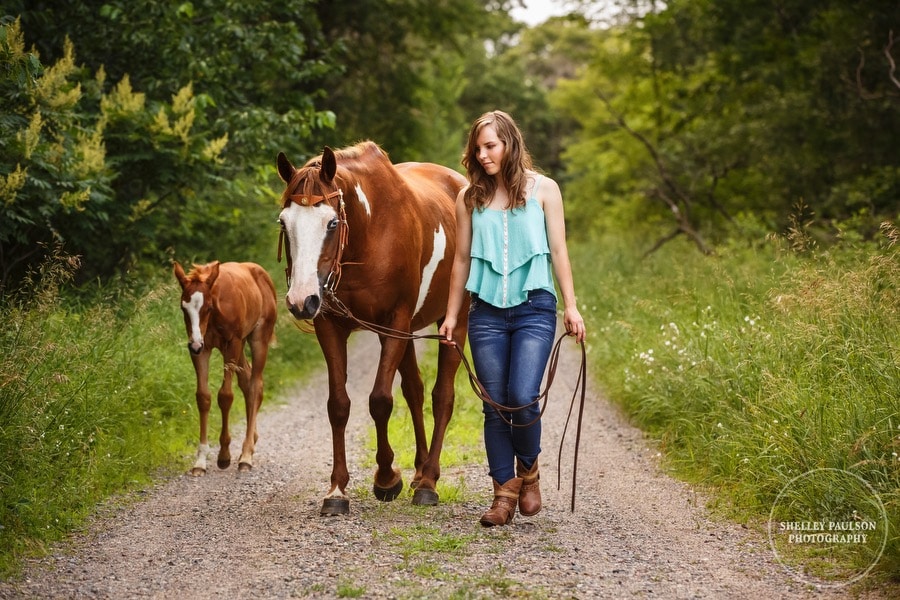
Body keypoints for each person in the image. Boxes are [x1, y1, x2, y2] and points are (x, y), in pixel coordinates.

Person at [440, 110, 586, 527]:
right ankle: (503, 495)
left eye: (491, 146)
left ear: (509, 143)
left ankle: (530, 470)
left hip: (535, 307)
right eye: (478, 148)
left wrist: (571, 306)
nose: (483, 155)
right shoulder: (469, 197)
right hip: (485, 311)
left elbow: (559, 251)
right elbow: (462, 260)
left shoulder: (545, 190)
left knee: (522, 397)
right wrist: (452, 316)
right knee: (494, 405)